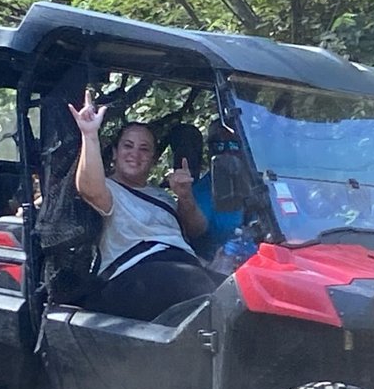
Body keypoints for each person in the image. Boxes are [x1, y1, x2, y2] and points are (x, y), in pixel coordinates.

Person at [68, 91, 219, 322]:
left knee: (237, 289)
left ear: (154, 159)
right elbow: (89, 189)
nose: (134, 154)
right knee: (194, 282)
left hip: (179, 272)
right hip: (127, 279)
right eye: (128, 146)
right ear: (115, 153)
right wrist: (89, 135)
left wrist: (185, 197)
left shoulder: (162, 197)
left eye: (144, 149)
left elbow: (196, 230)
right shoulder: (108, 188)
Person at [188, 122, 246, 261]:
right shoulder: (200, 191)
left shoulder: (263, 180)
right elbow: (195, 232)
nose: (226, 151)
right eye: (217, 145)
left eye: (233, 144)